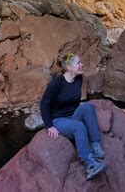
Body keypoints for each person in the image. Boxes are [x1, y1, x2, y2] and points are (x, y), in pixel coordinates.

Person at [40, 52, 108, 180]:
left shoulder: (79, 79)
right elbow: (44, 104)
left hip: (73, 115)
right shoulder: (57, 83)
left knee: (88, 107)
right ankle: (90, 164)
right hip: (59, 119)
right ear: (69, 68)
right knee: (79, 126)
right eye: (78, 63)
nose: (81, 64)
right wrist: (49, 126)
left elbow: (75, 102)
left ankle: (95, 143)